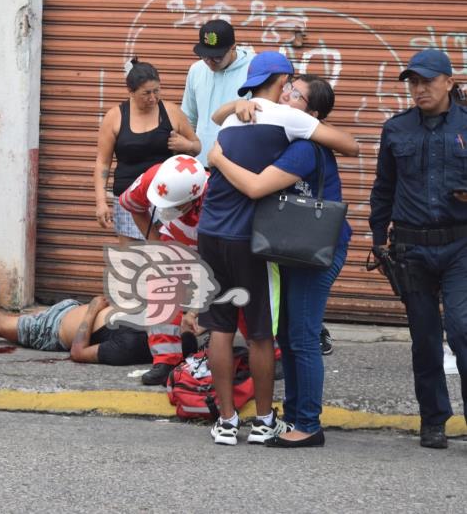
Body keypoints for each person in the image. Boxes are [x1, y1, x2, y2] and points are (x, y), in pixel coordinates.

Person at [196, 51, 358, 446]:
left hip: (307, 244)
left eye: (297, 96)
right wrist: (239, 104)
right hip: (273, 243)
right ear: (279, 80)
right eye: (289, 89)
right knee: (277, 334)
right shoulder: (274, 120)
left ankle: (297, 421)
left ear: (314, 113)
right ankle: (274, 419)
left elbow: (254, 182)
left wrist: (216, 154)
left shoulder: (287, 133)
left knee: (289, 334)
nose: (288, 97)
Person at [369, 49, 467, 449]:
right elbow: (383, 189)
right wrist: (378, 240)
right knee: (424, 338)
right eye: (413, 82)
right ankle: (433, 420)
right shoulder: (397, 129)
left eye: (427, 80)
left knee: (463, 330)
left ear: (449, 82)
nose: (419, 88)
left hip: (460, 244)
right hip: (411, 248)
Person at [118, 154, 208, 383]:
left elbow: (216, 262)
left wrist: (194, 310)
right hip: (175, 237)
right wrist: (157, 244)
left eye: (174, 205)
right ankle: (166, 361)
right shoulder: (153, 178)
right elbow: (133, 205)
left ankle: (271, 353)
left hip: (216, 242)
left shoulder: (216, 197)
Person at [94, 59, 200, 246]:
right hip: (128, 199)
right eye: (146, 93)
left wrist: (187, 146)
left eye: (156, 91)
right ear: (131, 92)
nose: (153, 98)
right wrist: (101, 202)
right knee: (133, 262)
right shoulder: (115, 117)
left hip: (167, 196)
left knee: (168, 255)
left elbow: (197, 146)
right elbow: (103, 163)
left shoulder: (171, 112)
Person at [0, 285, 152, 366]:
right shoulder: (156, 319)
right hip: (68, 309)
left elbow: (79, 352)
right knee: (4, 321)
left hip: (51, 331)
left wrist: (92, 309)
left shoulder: (130, 345)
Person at [181, 19, 254, 163]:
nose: (209, 61)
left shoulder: (253, 68)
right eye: (205, 56)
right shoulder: (196, 69)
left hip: (238, 164)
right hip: (200, 162)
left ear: (233, 47)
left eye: (217, 57)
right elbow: (189, 118)